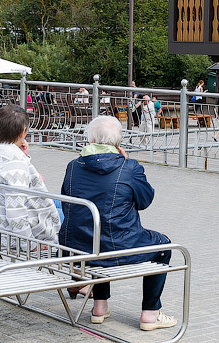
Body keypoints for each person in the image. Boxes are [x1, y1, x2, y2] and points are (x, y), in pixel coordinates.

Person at [59, 116, 177, 330]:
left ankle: (99, 307)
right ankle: (151, 313)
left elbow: (67, 203)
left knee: (98, 235)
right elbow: (145, 200)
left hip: (77, 246)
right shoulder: (129, 167)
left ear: (91, 138)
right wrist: (127, 164)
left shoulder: (73, 166)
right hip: (115, 247)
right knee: (163, 246)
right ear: (117, 142)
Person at [0, 105, 60, 251]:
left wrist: (23, 155)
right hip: (11, 236)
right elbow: (15, 210)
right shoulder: (15, 160)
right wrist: (30, 245)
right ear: (23, 131)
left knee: (60, 201)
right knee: (74, 212)